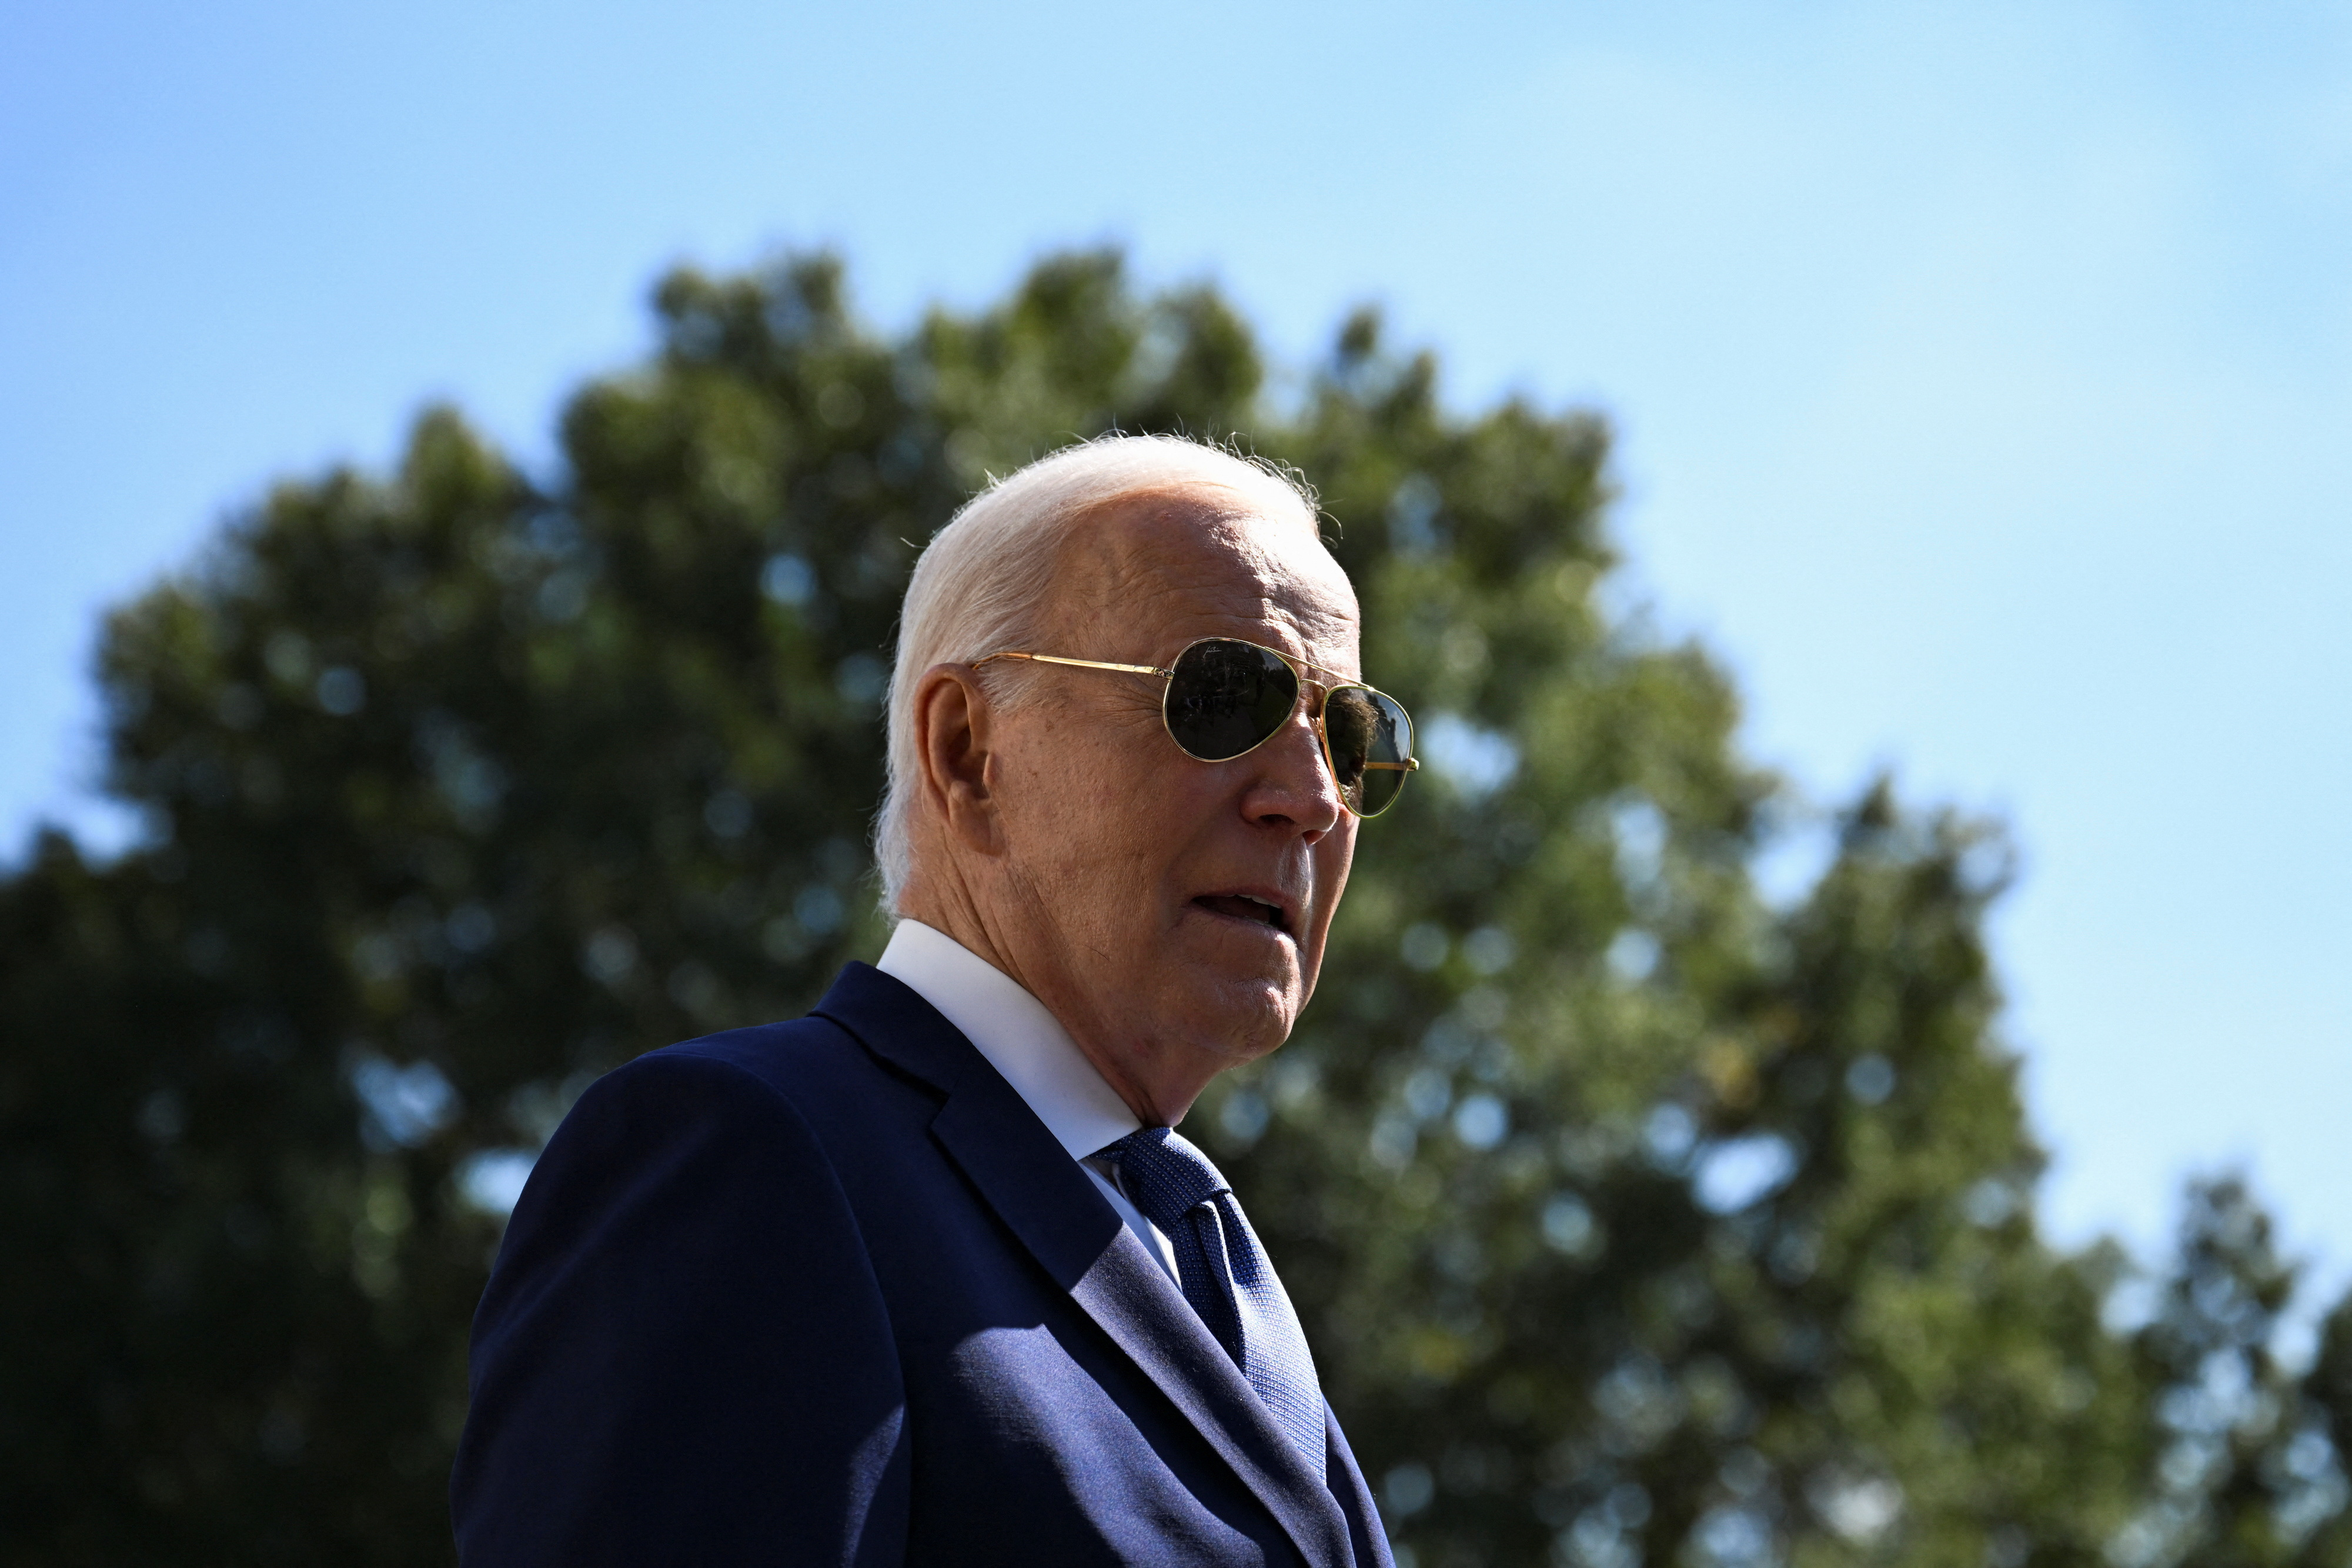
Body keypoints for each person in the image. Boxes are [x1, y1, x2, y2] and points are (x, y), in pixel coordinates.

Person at [450, 435, 1419, 1566]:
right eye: (1222, 698)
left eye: (1350, 738)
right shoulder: (745, 1160)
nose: (1309, 799)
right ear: (968, 753)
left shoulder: (1209, 1253)